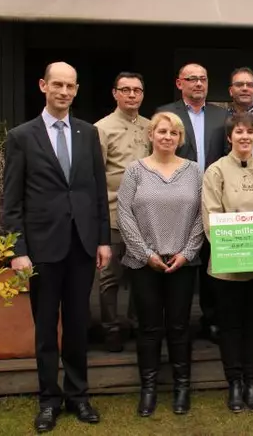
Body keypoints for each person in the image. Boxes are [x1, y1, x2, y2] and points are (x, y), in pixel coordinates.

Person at [3, 62, 111, 433]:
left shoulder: (86, 133)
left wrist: (102, 240)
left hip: (82, 246)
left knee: (79, 324)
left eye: (70, 86)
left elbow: (97, 191)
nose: (64, 91)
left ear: (77, 90)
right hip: (42, 248)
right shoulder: (21, 136)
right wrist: (18, 249)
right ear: (43, 86)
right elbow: (12, 201)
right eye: (57, 85)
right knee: (47, 327)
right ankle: (49, 399)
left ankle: (78, 395)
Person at [117, 112, 204, 417]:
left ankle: (182, 387)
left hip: (182, 262)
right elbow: (124, 215)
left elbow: (200, 217)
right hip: (145, 264)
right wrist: (146, 254)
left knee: (180, 327)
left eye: (174, 133)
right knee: (150, 328)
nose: (167, 137)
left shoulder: (194, 171)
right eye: (162, 131)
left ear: (180, 139)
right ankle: (149, 388)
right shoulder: (135, 171)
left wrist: (188, 252)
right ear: (151, 135)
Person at [201, 112, 253, 413]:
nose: (245, 137)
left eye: (250, 132)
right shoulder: (215, 172)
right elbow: (211, 217)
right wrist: (235, 248)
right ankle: (233, 383)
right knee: (230, 326)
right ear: (229, 137)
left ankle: (252, 383)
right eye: (239, 132)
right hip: (228, 265)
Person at [157, 63, 228, 345]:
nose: (198, 83)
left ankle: (211, 320)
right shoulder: (166, 113)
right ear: (179, 83)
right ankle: (177, 323)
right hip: (177, 198)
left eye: (203, 79)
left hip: (212, 199)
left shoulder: (221, 115)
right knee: (178, 260)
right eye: (192, 79)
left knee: (212, 260)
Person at [95, 71, 151, 353]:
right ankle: (111, 327)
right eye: (126, 90)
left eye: (137, 90)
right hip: (114, 210)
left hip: (146, 214)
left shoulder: (151, 127)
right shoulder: (102, 129)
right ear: (115, 93)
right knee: (111, 274)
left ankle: (136, 322)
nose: (132, 95)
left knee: (141, 270)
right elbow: (95, 174)